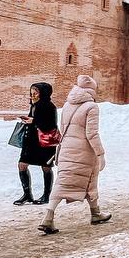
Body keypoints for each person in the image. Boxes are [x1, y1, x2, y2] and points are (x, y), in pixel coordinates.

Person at [39, 75, 110, 234]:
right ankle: (95, 214)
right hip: (84, 150)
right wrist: (101, 154)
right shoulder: (92, 107)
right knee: (90, 180)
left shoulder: (67, 105)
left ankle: (48, 217)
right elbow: (92, 134)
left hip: (66, 149)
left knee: (62, 182)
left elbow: (62, 130)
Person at [14, 82, 58, 206]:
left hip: (45, 142)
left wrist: (34, 121)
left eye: (36, 92)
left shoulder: (50, 106)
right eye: (32, 92)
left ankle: (46, 195)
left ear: (43, 93)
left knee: (46, 167)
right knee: (22, 165)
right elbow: (33, 121)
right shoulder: (34, 106)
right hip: (31, 142)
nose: (33, 94)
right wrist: (28, 120)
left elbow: (51, 125)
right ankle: (27, 194)